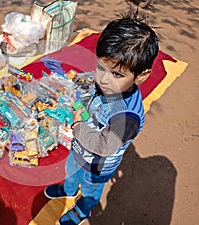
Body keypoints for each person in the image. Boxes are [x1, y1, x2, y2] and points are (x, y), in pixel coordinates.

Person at [44, 10, 159, 225]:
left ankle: (84, 208)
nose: (104, 79)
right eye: (101, 67)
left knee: (90, 187)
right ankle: (68, 189)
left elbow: (105, 145)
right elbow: (91, 88)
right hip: (80, 148)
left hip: (98, 164)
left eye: (117, 74)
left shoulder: (127, 117)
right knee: (71, 170)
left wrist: (78, 124)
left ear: (141, 75)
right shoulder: (107, 84)